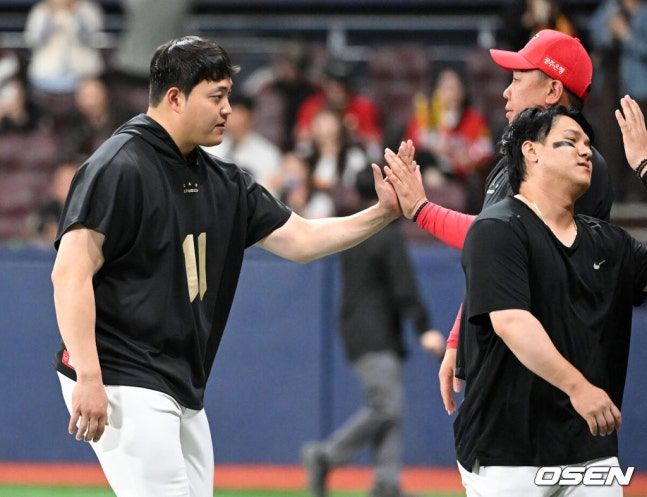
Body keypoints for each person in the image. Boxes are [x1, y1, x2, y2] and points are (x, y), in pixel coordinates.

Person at [51, 36, 403, 497]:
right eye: (216, 96)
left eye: (228, 96)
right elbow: (69, 273)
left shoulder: (222, 179)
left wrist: (382, 213)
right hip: (121, 372)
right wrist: (90, 377)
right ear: (175, 98)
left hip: (179, 381)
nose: (228, 110)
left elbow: (302, 240)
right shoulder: (119, 166)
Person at [384, 29, 615, 415]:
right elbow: (494, 264)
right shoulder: (517, 162)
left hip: (546, 383)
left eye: (518, 80)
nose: (506, 92)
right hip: (511, 375)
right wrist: (458, 338)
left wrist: (422, 211)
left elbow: (500, 241)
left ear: (553, 90)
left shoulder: (574, 167)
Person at [453, 103, 645, 496]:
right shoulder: (497, 228)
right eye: (570, 141)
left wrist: (645, 166)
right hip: (507, 453)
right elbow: (512, 322)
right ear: (531, 151)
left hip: (589, 450)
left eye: (588, 143)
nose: (585, 150)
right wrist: (579, 388)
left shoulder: (609, 243)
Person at [301, 167, 445, 497]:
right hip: (376, 333)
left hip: (358, 331)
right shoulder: (387, 234)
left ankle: (385, 484)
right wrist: (424, 327)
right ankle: (325, 456)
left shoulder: (354, 230)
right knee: (387, 408)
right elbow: (403, 286)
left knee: (390, 407)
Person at [202, 94, 282, 191]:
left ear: (250, 116)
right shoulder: (209, 148)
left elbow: (270, 192)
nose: (231, 118)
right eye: (228, 112)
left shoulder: (268, 154)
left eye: (237, 112)